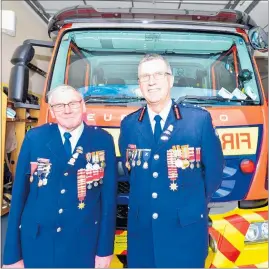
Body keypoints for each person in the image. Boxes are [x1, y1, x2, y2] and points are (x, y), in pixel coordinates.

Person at [119, 54, 224, 268]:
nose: (151, 81)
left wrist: (189, 204)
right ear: (139, 83)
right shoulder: (129, 125)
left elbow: (213, 173)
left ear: (171, 80)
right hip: (143, 234)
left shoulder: (198, 120)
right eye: (145, 76)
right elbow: (134, 173)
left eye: (158, 74)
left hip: (185, 231)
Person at [3, 85, 117, 268]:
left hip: (82, 244)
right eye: (59, 105)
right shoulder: (35, 138)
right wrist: (12, 255)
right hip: (37, 243)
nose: (67, 109)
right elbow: (18, 197)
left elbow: (108, 201)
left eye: (72, 103)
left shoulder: (102, 140)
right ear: (52, 111)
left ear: (83, 106)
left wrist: (104, 250)